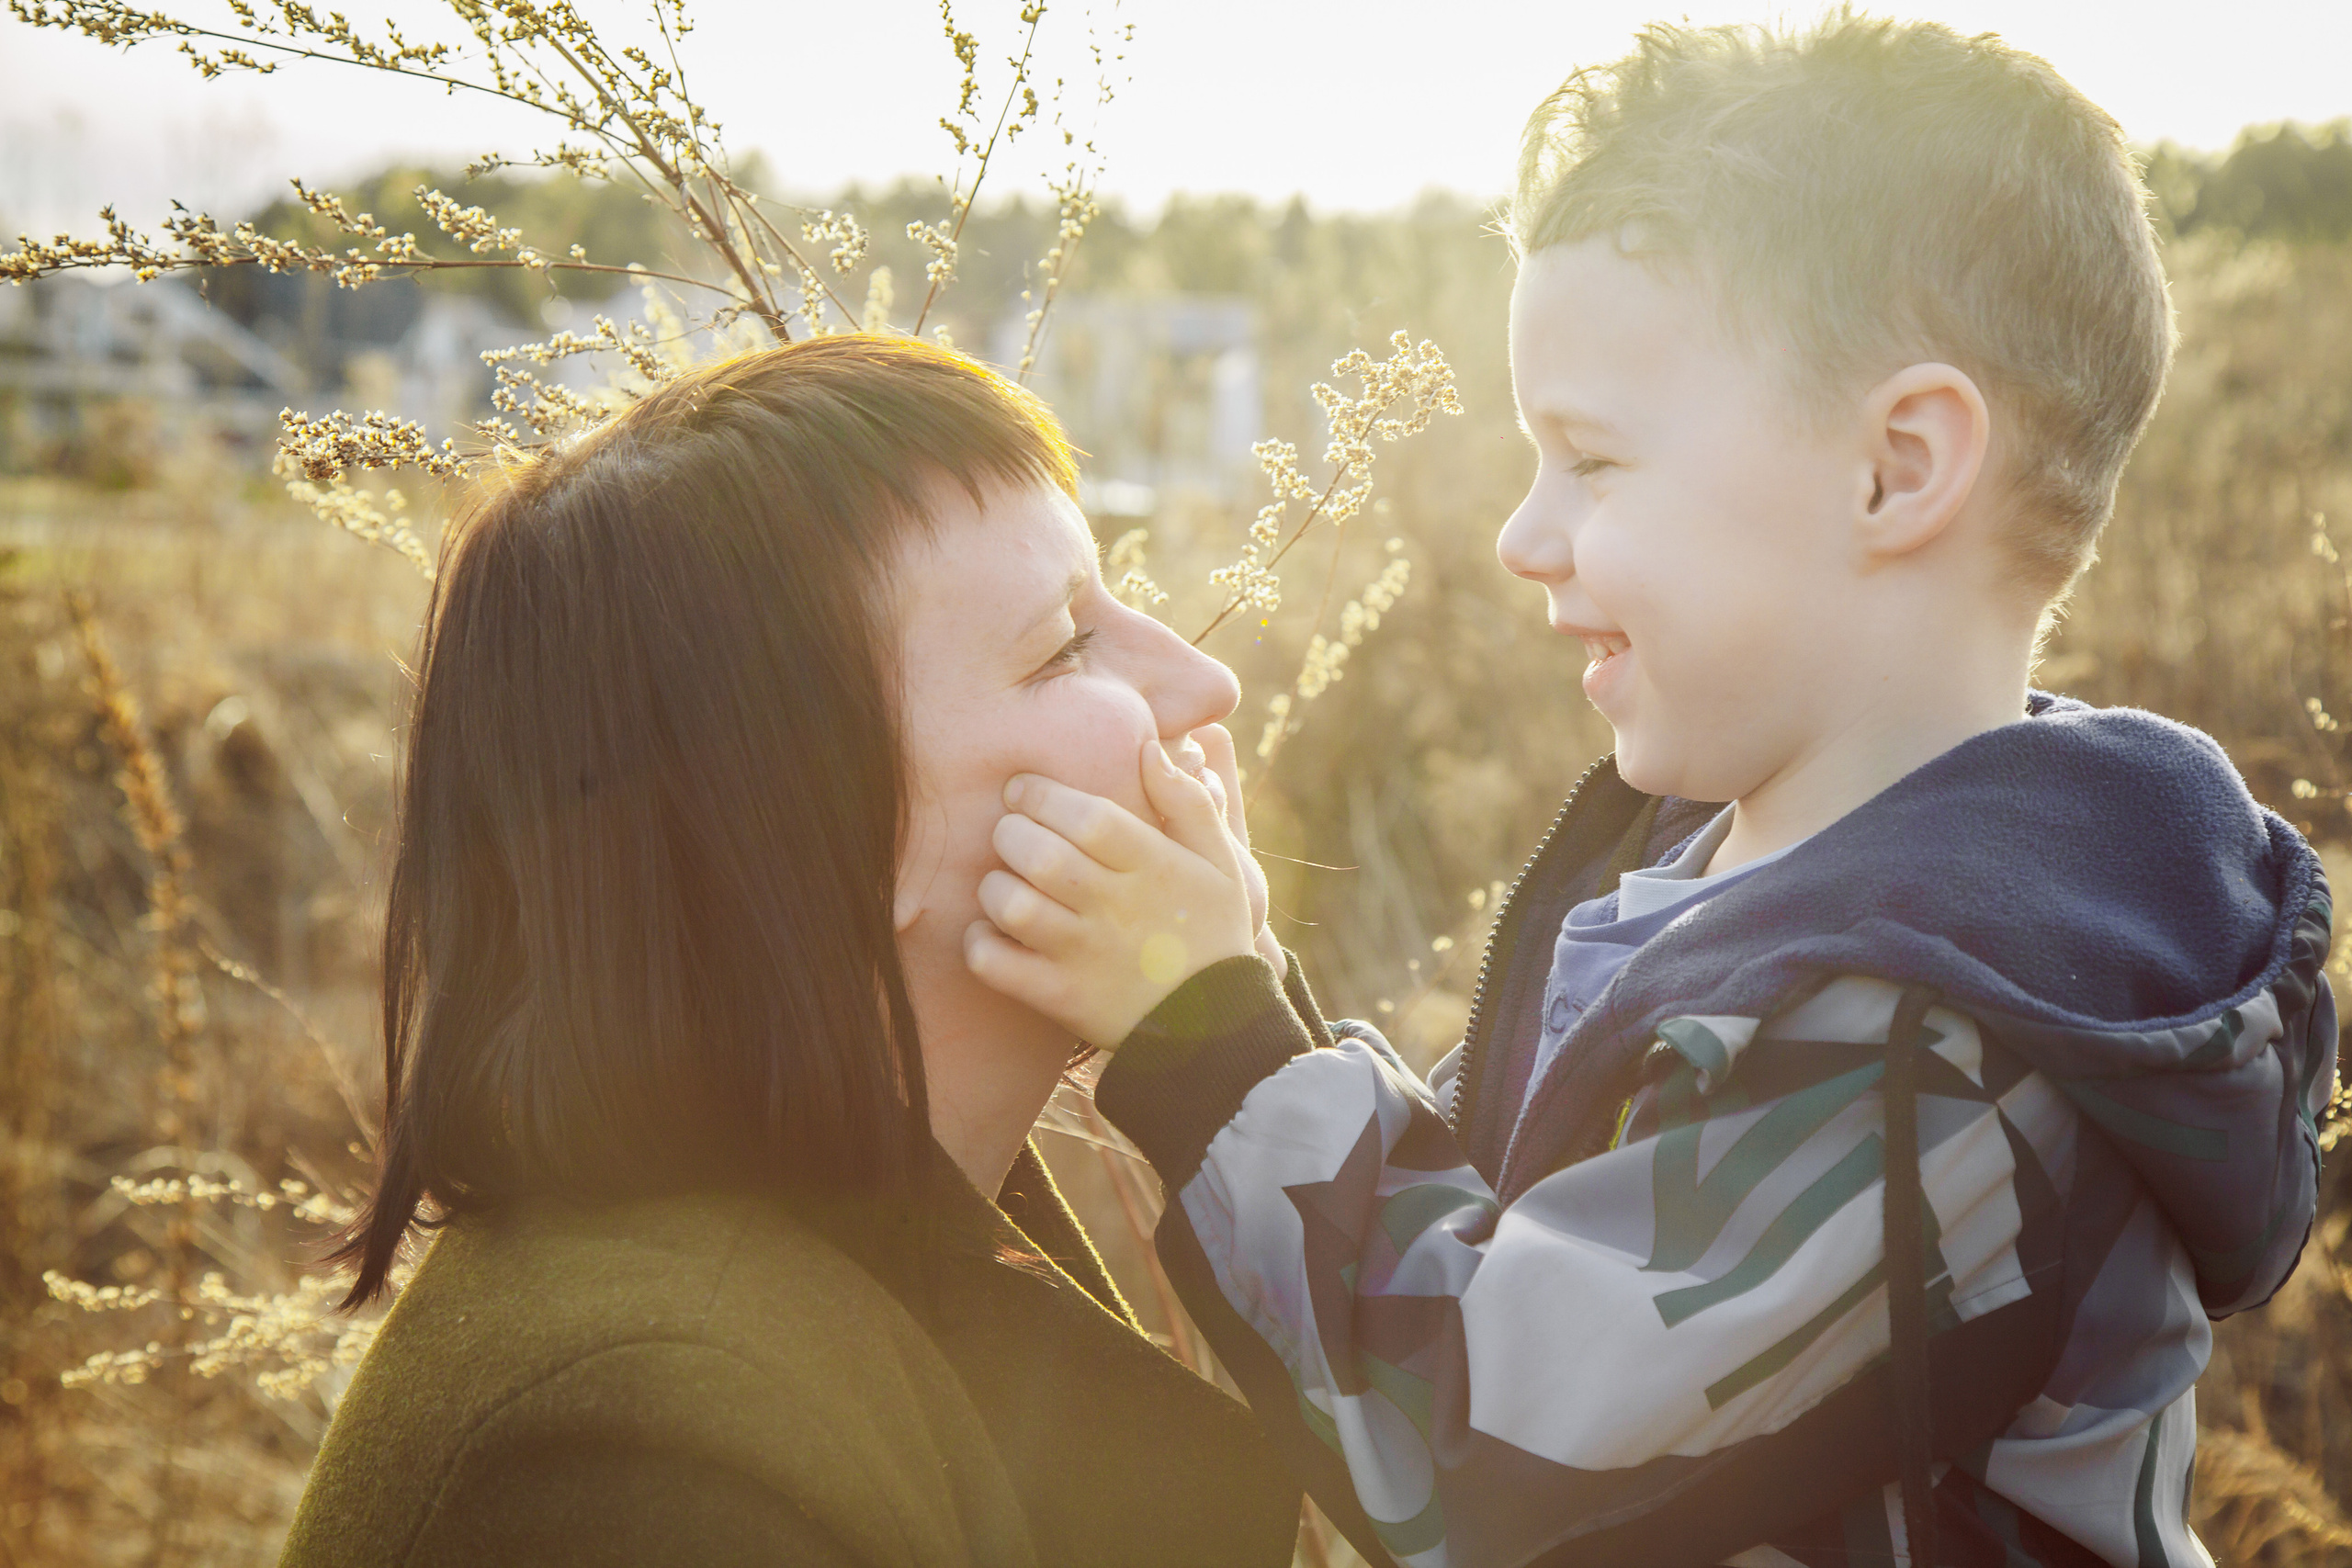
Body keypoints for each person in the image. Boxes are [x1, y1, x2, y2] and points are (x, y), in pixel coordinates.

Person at [964, 18, 2337, 1568]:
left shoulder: (1941, 1056)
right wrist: (1237, 972)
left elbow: (1494, 1449)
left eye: (1593, 462)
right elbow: (1558, 1273)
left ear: (1895, 468)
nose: (1521, 536)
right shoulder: (1747, 879)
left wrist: (1205, 1033)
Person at [276, 336, 1303, 1568]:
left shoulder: (841, 1274)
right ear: (816, 830)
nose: (1207, 682)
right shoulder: (646, 1459)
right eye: (1065, 647)